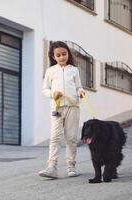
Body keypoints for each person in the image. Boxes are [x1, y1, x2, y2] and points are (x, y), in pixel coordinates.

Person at [39, 41, 85, 179]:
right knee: (54, 137)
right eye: (58, 55)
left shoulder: (74, 70)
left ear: (68, 54)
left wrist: (81, 91)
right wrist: (53, 94)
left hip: (73, 107)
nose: (62, 57)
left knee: (71, 138)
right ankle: (51, 167)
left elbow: (78, 86)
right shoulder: (50, 71)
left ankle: (71, 166)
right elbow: (45, 89)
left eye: (64, 54)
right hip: (57, 108)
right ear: (54, 57)